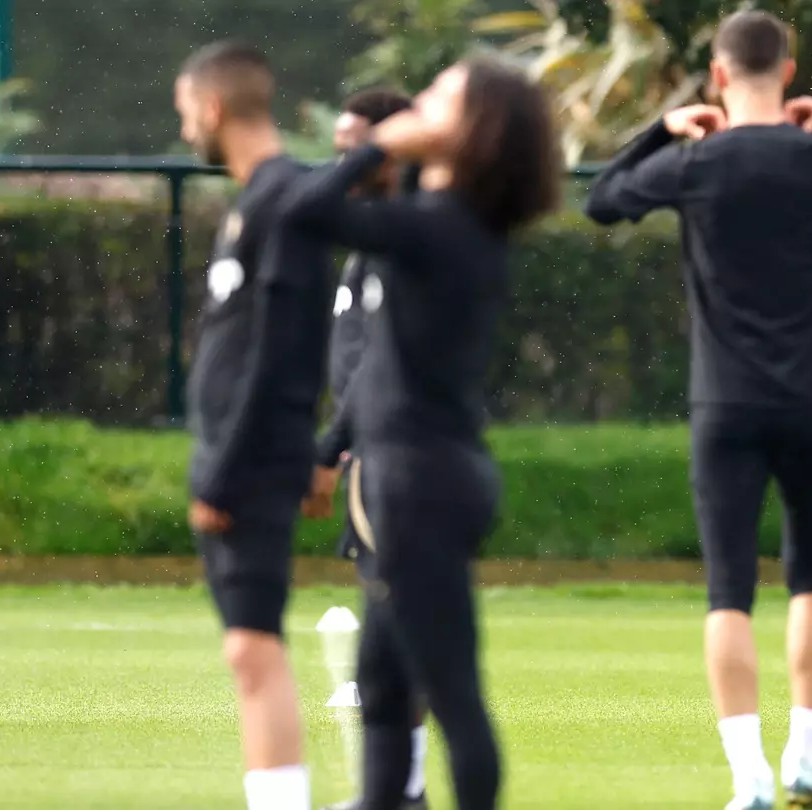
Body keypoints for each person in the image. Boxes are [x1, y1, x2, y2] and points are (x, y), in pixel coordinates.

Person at [582, 10, 812, 810]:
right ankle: (806, 761)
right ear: (788, 70)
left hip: (726, 401)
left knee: (728, 589)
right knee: (811, 574)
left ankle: (750, 781)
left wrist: (660, 133)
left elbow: (601, 201)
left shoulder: (696, 162)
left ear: (716, 75)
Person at [279, 56, 561, 810]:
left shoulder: (441, 225)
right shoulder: (450, 222)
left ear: (474, 131)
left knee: (454, 696)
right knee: (381, 683)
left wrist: (381, 148)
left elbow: (303, 211)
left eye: (441, 97)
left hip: (423, 482)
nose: (421, 104)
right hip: (423, 473)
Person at [174, 40, 332, 810]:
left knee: (253, 647)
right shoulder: (256, 202)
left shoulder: (284, 201)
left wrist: (227, 469)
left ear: (211, 108)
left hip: (253, 463)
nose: (183, 134)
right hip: (246, 457)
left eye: (183, 114)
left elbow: (280, 354)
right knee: (248, 649)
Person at [301, 87, 432, 810]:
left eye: (355, 142)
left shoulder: (408, 236)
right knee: (388, 609)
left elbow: (381, 364)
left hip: (398, 449)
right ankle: (401, 789)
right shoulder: (369, 237)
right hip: (368, 447)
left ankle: (406, 789)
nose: (340, 156)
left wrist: (331, 444)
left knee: (404, 618)